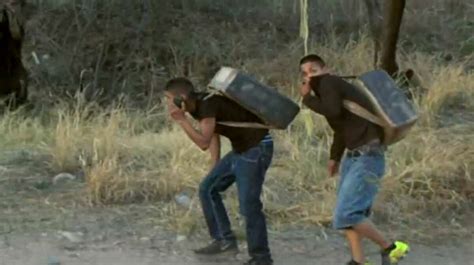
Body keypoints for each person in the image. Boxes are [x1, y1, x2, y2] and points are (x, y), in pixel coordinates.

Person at [298, 54, 410, 265]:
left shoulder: (329, 82)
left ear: (325, 69)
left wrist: (307, 98)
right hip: (354, 156)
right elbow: (341, 127)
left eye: (313, 70)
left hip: (367, 155)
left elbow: (332, 111)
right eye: (304, 73)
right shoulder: (330, 87)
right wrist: (334, 158)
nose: (309, 76)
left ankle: (392, 248)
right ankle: (358, 261)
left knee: (346, 214)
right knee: (349, 214)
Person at [164, 77, 274, 265]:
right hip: (242, 149)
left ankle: (261, 257)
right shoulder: (198, 104)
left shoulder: (206, 105)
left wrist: (182, 121)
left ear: (181, 97)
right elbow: (214, 134)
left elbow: (203, 142)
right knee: (208, 188)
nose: (167, 103)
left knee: (249, 205)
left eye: (168, 98)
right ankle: (224, 241)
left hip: (256, 149)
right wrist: (215, 166)